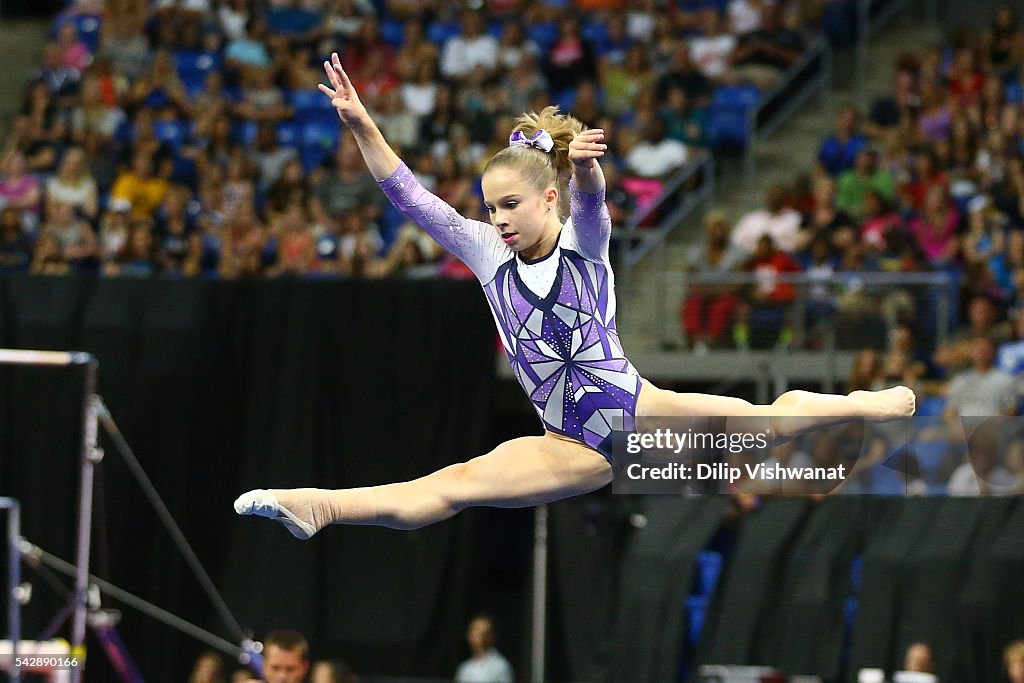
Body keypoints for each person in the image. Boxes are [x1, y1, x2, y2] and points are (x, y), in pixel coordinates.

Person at [234, 53, 916, 540]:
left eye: (509, 205)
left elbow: (594, 208)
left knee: (769, 419)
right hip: (569, 443)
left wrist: (589, 172)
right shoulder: (486, 253)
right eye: (489, 207)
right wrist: (360, 123)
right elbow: (409, 194)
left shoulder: (581, 246)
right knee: (452, 484)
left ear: (548, 196)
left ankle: (862, 402)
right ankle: (319, 504)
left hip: (642, 413)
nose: (496, 218)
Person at [455, 614, 514, 683]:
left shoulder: (501, 666)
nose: (480, 637)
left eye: (484, 633)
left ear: (492, 636)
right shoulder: (465, 668)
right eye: (476, 632)